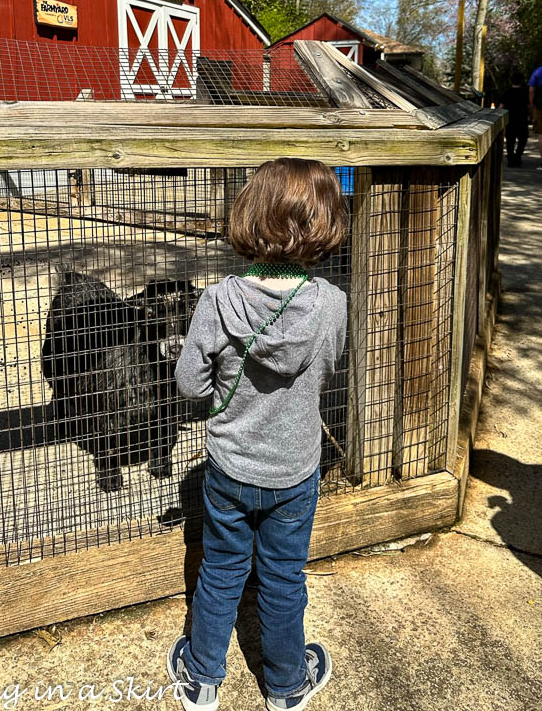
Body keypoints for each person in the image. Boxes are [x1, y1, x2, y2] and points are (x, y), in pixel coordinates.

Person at [166, 157, 348, 711]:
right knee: (284, 578)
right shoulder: (333, 304)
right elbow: (328, 370)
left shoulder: (220, 300)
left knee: (221, 569)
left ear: (251, 217)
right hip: (295, 469)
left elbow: (190, 387)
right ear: (323, 224)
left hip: (229, 467)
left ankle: (201, 679)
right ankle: (287, 686)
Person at [499, 70, 529, 167]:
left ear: (510, 81)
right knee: (522, 139)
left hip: (510, 120)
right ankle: (518, 155)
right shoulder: (525, 92)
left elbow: (501, 106)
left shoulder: (507, 92)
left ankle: (511, 158)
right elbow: (529, 106)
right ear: (522, 81)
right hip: (522, 120)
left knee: (510, 141)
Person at [529, 64, 542, 170]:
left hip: (541, 106)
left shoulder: (539, 71)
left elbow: (531, 90)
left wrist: (531, 104)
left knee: (541, 135)